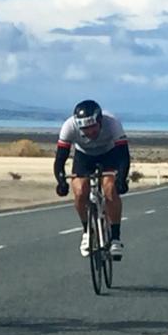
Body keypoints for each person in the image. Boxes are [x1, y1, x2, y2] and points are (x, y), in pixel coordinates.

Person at [53, 100, 130, 260]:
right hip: (84, 157)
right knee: (80, 192)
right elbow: (60, 159)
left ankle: (115, 238)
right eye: (84, 129)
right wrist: (61, 181)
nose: (89, 132)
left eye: (92, 127)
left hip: (109, 155)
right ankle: (87, 231)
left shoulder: (112, 123)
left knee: (110, 188)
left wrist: (121, 179)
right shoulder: (69, 126)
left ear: (100, 121)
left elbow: (123, 156)